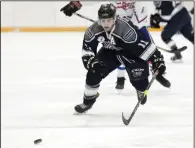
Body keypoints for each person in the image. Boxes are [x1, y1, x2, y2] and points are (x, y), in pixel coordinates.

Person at [69, 3, 167, 113]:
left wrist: (157, 59)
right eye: (103, 20)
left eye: (109, 20)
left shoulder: (126, 30)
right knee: (94, 72)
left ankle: (141, 89)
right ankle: (88, 102)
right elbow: (87, 51)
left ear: (114, 19)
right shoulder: (93, 31)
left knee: (139, 81)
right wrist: (92, 63)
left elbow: (143, 46)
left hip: (131, 52)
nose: (105, 24)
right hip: (110, 52)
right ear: (99, 19)